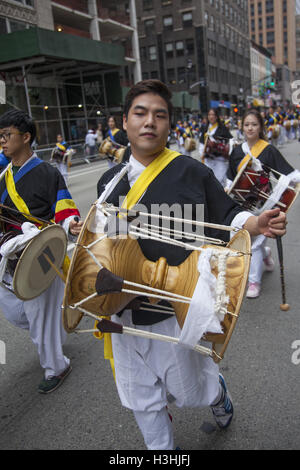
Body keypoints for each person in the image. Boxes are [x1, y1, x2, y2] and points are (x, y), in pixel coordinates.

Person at [95, 80, 287, 450]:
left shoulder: (189, 171)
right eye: (140, 113)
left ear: (170, 126)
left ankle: (218, 396)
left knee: (194, 389)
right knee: (142, 401)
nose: (149, 121)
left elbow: (227, 213)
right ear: (124, 122)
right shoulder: (110, 182)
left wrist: (256, 222)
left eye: (159, 115)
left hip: (176, 306)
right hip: (124, 312)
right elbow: (110, 242)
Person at [0, 110, 83, 393]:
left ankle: (56, 366)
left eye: (6, 135)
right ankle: (51, 326)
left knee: (37, 314)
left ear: (25, 137)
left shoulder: (48, 173)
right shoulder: (3, 177)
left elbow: (65, 210)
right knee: (15, 310)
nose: (2, 141)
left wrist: (71, 224)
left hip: (40, 252)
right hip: (10, 255)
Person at [226, 108, 299, 299]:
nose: (250, 128)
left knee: (254, 244)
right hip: (244, 204)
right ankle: (266, 254)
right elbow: (230, 178)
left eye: (254, 124)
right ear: (241, 127)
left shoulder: (269, 150)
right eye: (246, 124)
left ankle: (253, 281)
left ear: (260, 127)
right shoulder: (235, 152)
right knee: (250, 240)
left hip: (265, 207)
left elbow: (291, 176)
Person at [198, 108, 233, 187]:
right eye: (209, 115)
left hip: (220, 161)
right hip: (208, 160)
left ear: (216, 116)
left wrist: (221, 147)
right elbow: (201, 142)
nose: (211, 117)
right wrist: (202, 153)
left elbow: (230, 141)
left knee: (219, 182)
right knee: (209, 182)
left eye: (213, 114)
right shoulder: (205, 128)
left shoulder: (222, 128)